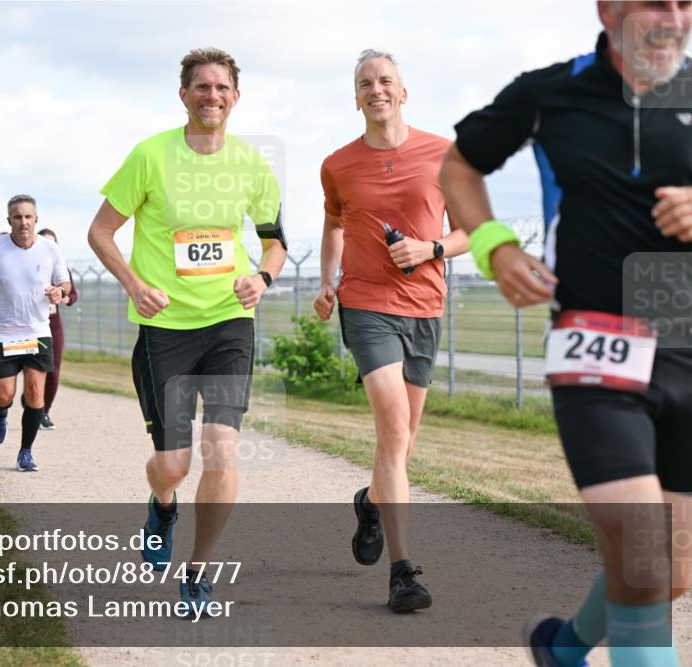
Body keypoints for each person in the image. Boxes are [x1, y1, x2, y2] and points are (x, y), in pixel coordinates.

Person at [439, 2, 692, 664]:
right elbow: (460, 166)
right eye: (652, 2)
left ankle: (564, 643)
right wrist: (495, 246)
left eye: (685, 3)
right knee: (643, 555)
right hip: (595, 345)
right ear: (609, 9)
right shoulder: (550, 92)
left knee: (672, 569)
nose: (670, 17)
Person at [87, 48, 287, 613]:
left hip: (228, 322)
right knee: (173, 463)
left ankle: (198, 571)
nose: (212, 96)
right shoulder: (150, 157)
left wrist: (263, 278)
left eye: (222, 88)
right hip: (165, 329)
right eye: (201, 87)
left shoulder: (252, 165)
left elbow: (274, 241)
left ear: (236, 98)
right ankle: (163, 503)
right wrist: (133, 285)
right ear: (184, 95)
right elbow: (100, 233)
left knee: (222, 450)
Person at [314, 48, 468, 613]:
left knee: (401, 443)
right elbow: (333, 225)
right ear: (356, 98)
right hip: (366, 303)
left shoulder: (443, 153)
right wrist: (329, 280)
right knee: (394, 426)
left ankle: (371, 502)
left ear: (403, 92)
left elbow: (471, 232)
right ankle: (403, 572)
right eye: (364, 83)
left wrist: (430, 248)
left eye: (385, 81)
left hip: (424, 308)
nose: (375, 89)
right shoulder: (337, 164)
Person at [0, 195, 71, 472]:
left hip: (38, 331)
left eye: (28, 217)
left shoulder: (50, 250)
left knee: (36, 393)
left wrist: (59, 291)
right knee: (5, 394)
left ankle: (25, 452)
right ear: (9, 220)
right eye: (17, 217)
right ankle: (0, 412)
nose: (23, 222)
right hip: (2, 332)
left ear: (36, 220)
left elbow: (65, 281)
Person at [33, 228, 78, 430]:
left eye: (53, 243)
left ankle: (44, 412)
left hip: (53, 324)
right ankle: (32, 400)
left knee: (54, 370)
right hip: (30, 324)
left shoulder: (62, 270)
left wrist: (66, 297)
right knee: (32, 369)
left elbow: (73, 294)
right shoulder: (29, 265)